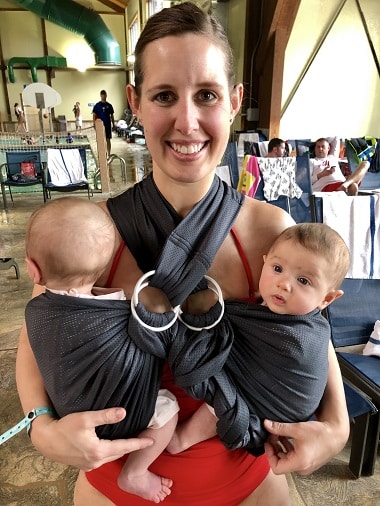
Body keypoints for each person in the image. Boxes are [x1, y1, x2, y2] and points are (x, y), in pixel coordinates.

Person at [16, 3, 350, 505]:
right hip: (115, 490)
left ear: (235, 101)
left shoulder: (270, 232)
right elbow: (37, 339)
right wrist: (41, 428)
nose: (187, 121)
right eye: (165, 95)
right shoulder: (88, 232)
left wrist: (338, 425)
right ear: (135, 101)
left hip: (246, 484)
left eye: (208, 95)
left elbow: (308, 338)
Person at [135, 222, 350, 456]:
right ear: (264, 262)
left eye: (304, 281)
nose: (284, 284)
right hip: (262, 405)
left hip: (273, 409)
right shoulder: (259, 310)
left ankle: (182, 439)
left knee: (222, 397)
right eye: (277, 268)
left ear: (326, 299)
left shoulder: (303, 336)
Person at [24, 197, 179, 503]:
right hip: (124, 417)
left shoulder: (36, 311)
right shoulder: (122, 310)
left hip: (70, 418)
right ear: (105, 268)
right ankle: (135, 471)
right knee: (168, 406)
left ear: (33, 270)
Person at [92, 90, 115, 158]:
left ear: (106, 95)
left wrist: (113, 124)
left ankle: (109, 153)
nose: (103, 96)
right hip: (100, 126)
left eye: (104, 95)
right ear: (100, 96)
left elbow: (112, 116)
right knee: (101, 140)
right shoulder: (97, 105)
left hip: (107, 125)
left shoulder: (109, 105)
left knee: (108, 139)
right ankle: (103, 153)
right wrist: (94, 123)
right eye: (102, 95)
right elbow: (94, 115)